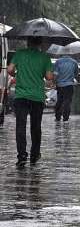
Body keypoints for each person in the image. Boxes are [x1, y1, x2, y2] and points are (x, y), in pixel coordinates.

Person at [7, 37, 53, 168]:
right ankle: (34, 154)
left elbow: (10, 70)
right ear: (40, 43)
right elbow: (49, 77)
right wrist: (44, 75)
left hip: (21, 96)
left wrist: (17, 74)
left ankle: (21, 156)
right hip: (37, 97)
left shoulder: (20, 54)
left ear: (28, 42)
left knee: (20, 127)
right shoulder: (45, 57)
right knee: (35, 127)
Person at [54, 55, 78, 122]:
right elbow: (76, 73)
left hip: (60, 85)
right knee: (67, 101)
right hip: (69, 85)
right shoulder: (74, 62)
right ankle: (66, 118)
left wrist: (54, 82)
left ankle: (58, 117)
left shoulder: (58, 62)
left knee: (59, 101)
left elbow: (55, 74)